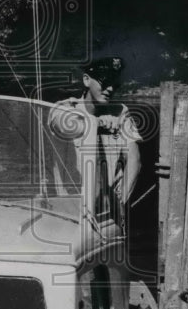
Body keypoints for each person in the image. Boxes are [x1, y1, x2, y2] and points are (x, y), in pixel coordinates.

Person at [49, 56, 141, 227]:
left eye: (115, 83)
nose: (110, 88)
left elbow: (135, 160)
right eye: (104, 82)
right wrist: (94, 123)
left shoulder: (120, 112)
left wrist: (118, 202)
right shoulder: (65, 109)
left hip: (106, 215)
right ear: (86, 80)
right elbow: (64, 124)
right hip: (69, 212)